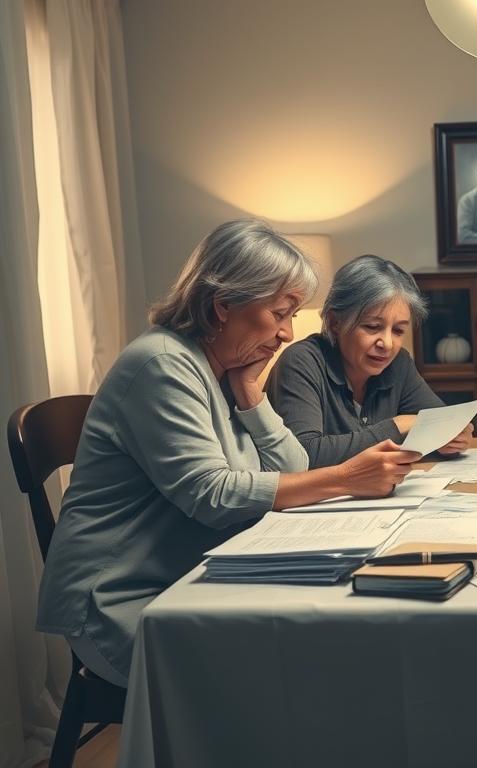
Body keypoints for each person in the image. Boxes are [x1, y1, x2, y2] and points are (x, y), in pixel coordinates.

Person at [35, 220, 420, 686]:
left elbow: (294, 465)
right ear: (223, 307)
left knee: (331, 644)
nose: (286, 333)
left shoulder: (225, 368)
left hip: (189, 579)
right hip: (122, 602)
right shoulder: (162, 364)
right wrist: (345, 478)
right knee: (310, 665)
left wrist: (251, 394)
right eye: (280, 313)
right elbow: (211, 496)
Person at [266, 255, 474, 467]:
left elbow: (440, 422)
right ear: (334, 322)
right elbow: (305, 454)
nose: (387, 343)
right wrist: (398, 425)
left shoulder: (398, 363)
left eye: (398, 330)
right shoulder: (300, 362)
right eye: (372, 327)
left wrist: (453, 438)